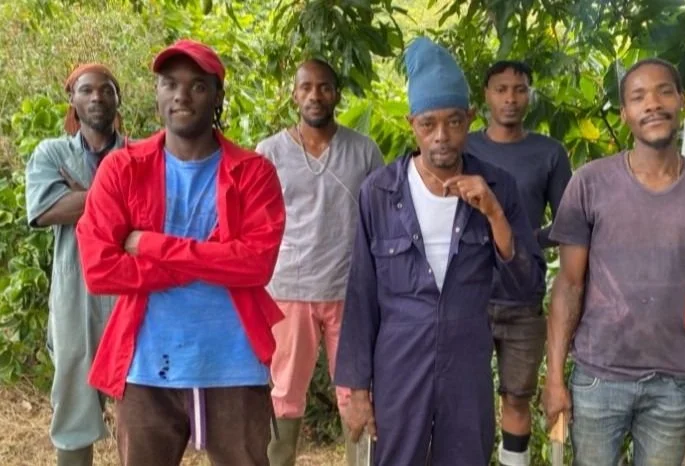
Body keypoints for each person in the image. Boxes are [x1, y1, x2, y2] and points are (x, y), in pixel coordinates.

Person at [333, 37, 545, 466]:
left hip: (466, 360)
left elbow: (528, 283)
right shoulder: (380, 192)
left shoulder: (498, 187)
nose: (442, 137)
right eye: (428, 124)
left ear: (471, 118)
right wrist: (357, 391)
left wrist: (494, 213)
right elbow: (360, 293)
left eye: (454, 122)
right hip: (398, 361)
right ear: (412, 123)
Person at [75, 39, 286, 466]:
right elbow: (99, 270)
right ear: (156, 94)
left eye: (198, 86)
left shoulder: (253, 172)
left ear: (218, 96)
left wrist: (151, 245)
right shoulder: (122, 169)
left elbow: (256, 264)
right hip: (146, 366)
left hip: (233, 363)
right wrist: (211, 261)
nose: (181, 96)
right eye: (170, 84)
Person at [542, 58, 685, 465]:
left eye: (663, 91)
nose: (652, 103)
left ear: (682, 101)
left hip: (672, 383)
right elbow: (568, 285)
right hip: (598, 377)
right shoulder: (590, 182)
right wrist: (554, 379)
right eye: (638, 97)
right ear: (624, 114)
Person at [256, 58, 384, 466]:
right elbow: (256, 220)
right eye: (306, 87)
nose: (315, 95)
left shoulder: (363, 151)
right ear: (294, 95)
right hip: (288, 290)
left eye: (324, 87)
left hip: (349, 291)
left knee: (357, 392)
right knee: (284, 393)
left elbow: (382, 219)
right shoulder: (270, 152)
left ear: (337, 94)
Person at [465, 60, 572, 466]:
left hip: (523, 297)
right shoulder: (465, 148)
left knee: (516, 397)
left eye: (520, 89)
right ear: (486, 95)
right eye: (501, 89)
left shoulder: (549, 153)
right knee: (465, 398)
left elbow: (568, 222)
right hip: (467, 296)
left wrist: (528, 241)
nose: (511, 98)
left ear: (530, 94)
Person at [25, 64, 124, 466]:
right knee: (73, 408)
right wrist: (115, 196)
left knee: (141, 409)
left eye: (106, 90)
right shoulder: (52, 153)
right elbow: (46, 210)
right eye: (86, 90)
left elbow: (151, 211)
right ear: (73, 100)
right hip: (74, 296)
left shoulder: (137, 153)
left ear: (118, 99)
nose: (97, 97)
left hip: (129, 294)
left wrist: (81, 195)